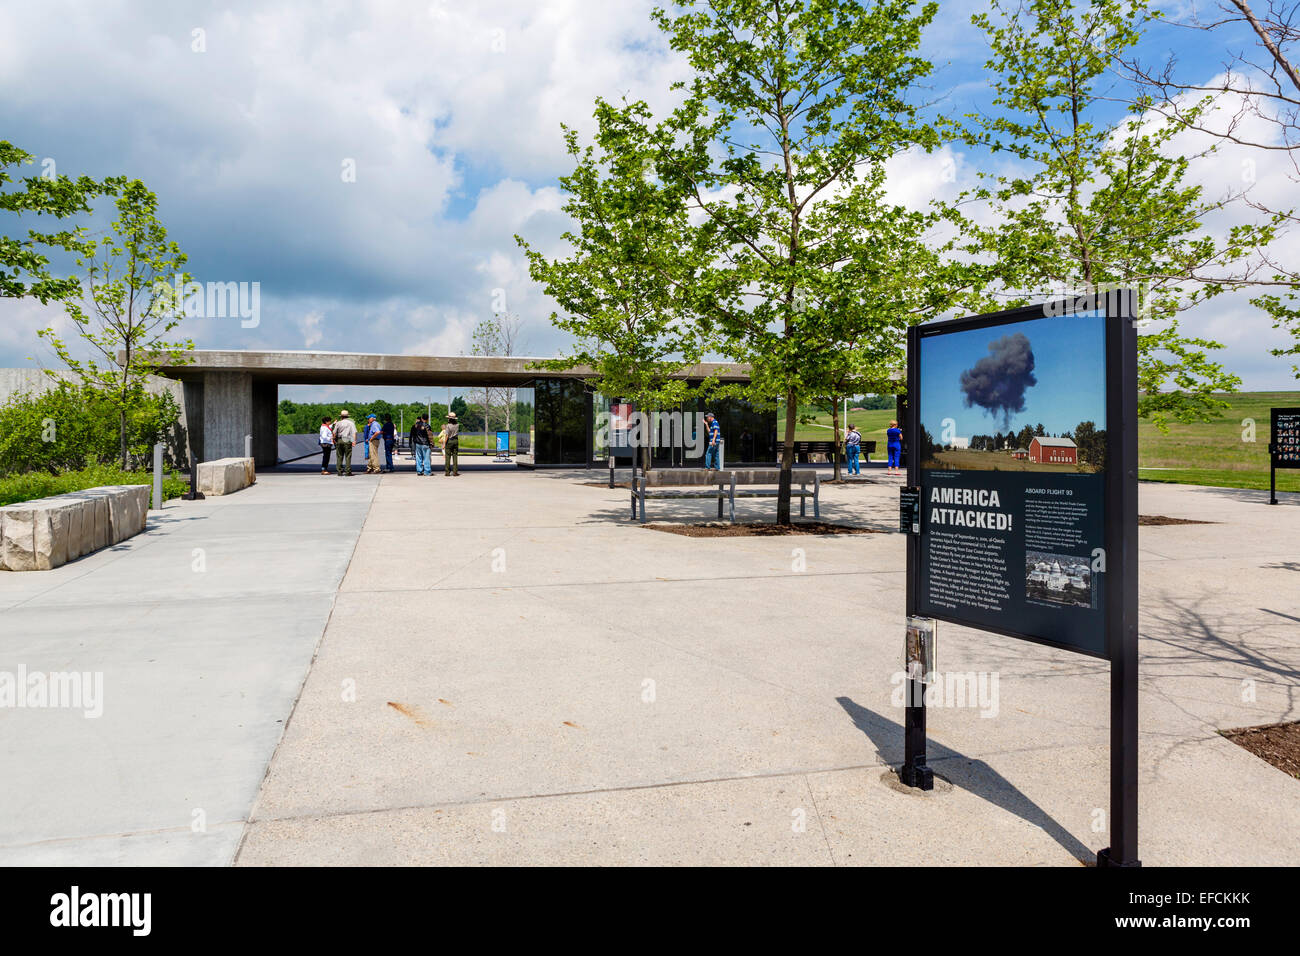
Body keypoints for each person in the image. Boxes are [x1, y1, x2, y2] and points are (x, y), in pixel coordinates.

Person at [333, 410, 356, 476]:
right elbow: (354, 433)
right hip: (347, 439)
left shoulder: (338, 423)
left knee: (339, 456)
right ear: (348, 416)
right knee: (348, 456)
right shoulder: (351, 423)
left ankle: (339, 472)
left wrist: (334, 439)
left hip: (340, 439)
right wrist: (354, 441)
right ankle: (348, 472)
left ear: (341, 416)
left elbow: (334, 433)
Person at [440, 412, 460, 476]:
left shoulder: (448, 426)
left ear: (449, 419)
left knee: (448, 456)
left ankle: (447, 472)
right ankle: (455, 472)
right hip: (455, 440)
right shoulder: (457, 425)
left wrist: (444, 444)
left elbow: (447, 435)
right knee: (455, 456)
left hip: (449, 441)